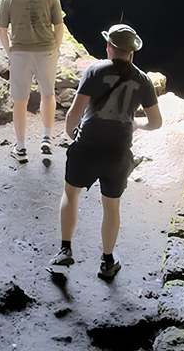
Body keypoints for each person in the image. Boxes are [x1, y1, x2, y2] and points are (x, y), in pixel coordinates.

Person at [50, 24, 162, 279]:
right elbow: (156, 122)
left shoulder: (94, 71)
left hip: (87, 144)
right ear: (132, 52)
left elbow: (74, 114)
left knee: (71, 193)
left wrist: (72, 134)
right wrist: (137, 124)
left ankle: (65, 250)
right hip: (119, 150)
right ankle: (107, 261)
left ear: (109, 47)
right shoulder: (143, 80)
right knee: (111, 206)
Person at [0, 0, 64, 163]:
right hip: (46, 50)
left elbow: (1, 30)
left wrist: (11, 52)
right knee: (47, 93)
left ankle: (21, 145)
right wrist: (56, 48)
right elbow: (59, 26)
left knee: (19, 100)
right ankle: (46, 136)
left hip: (20, 52)